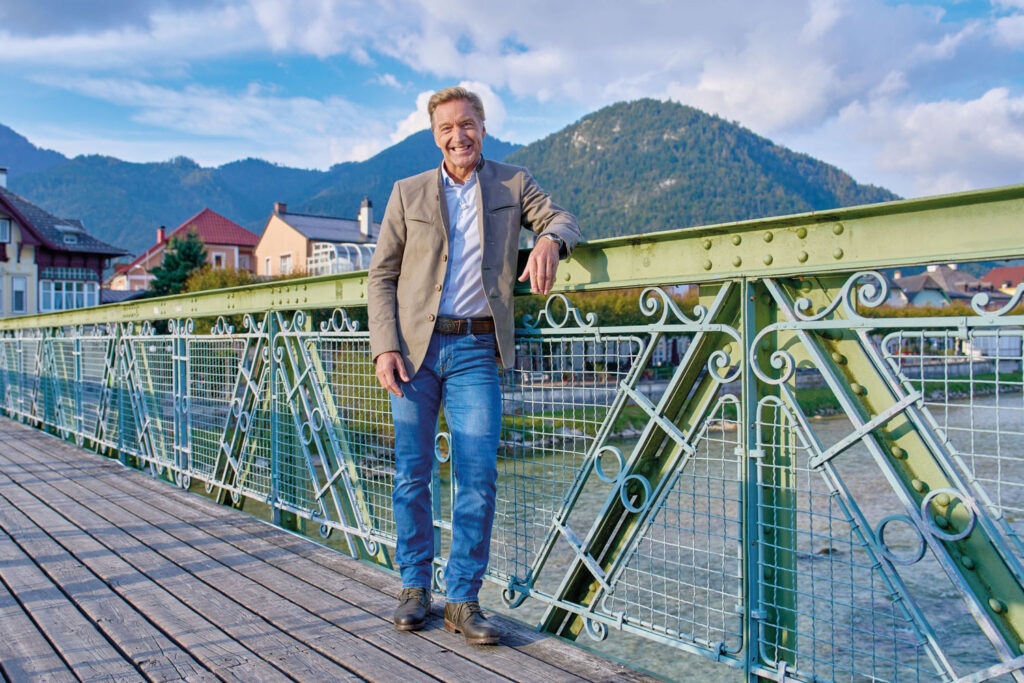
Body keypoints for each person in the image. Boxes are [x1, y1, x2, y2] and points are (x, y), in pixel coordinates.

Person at [368, 86, 580, 645]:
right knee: (412, 474)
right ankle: (415, 587)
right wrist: (384, 344)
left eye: (467, 125)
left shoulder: (512, 182)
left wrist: (549, 243)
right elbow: (381, 275)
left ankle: (462, 599)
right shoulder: (407, 191)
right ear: (434, 136)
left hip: (477, 352)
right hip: (415, 352)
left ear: (483, 127)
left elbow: (559, 217)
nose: (458, 136)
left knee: (478, 477)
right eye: (446, 129)